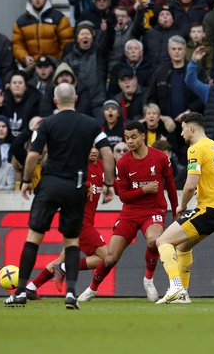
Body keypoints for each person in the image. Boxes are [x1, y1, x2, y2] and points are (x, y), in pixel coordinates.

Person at [3, 83, 115, 309]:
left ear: (54, 101)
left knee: (34, 237)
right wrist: (109, 183)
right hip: (75, 186)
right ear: (75, 98)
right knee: (72, 243)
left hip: (51, 184)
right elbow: (107, 153)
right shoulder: (91, 124)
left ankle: (21, 292)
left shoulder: (47, 124)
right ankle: (71, 294)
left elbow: (33, 155)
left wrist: (26, 180)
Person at [78, 120, 178, 303]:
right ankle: (92, 288)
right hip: (130, 213)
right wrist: (144, 190)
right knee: (110, 258)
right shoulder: (123, 163)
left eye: (133, 137)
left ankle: (148, 279)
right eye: (127, 138)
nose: (130, 141)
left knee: (153, 240)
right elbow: (123, 196)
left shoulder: (160, 158)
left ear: (142, 135)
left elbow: (171, 186)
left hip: (154, 210)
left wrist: (176, 209)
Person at [155, 112, 214, 304]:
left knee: (163, 241)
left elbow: (190, 185)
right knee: (183, 246)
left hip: (209, 209)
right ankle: (183, 294)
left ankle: (175, 286)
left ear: (191, 128)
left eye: (182, 130)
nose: (181, 134)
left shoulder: (195, 149)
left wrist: (182, 205)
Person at [25, 146, 110, 299]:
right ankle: (64, 268)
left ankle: (30, 288)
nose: (93, 150)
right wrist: (85, 184)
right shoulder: (78, 166)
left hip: (85, 220)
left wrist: (110, 189)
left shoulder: (103, 166)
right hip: (80, 222)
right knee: (106, 258)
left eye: (96, 147)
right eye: (89, 146)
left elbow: (113, 183)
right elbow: (64, 183)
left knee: (61, 258)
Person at [12, 0, 74, 68]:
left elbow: (67, 43)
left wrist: (58, 62)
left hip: (54, 67)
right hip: (32, 67)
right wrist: (24, 57)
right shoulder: (21, 21)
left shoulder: (59, 18)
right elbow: (17, 44)